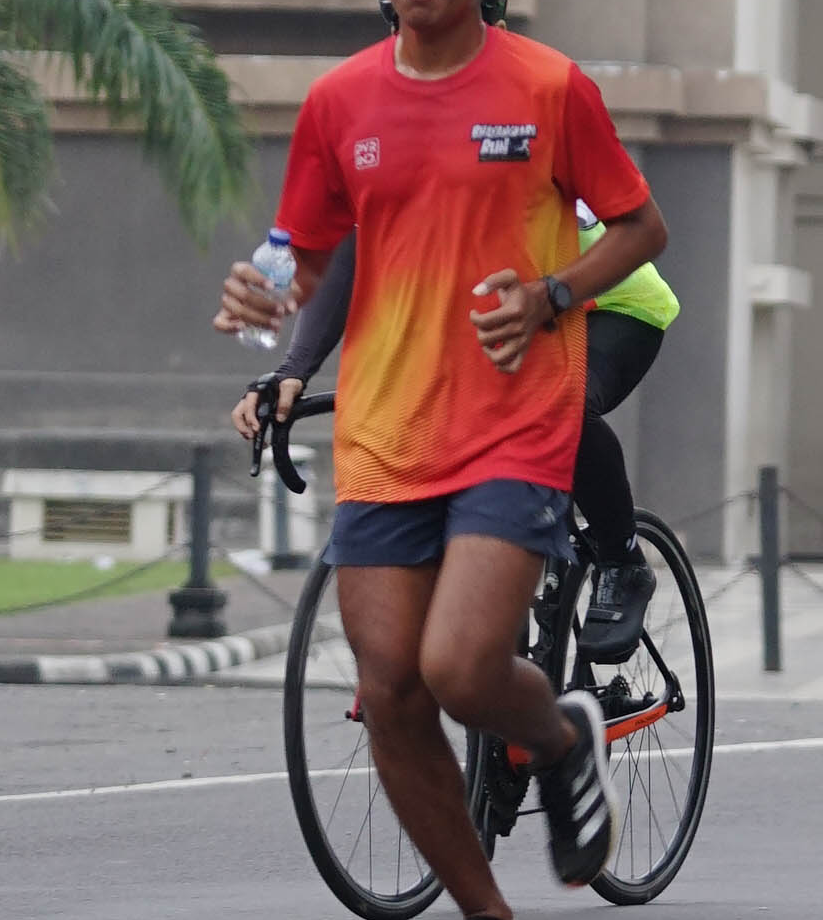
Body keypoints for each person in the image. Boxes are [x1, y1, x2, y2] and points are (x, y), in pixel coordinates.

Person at [213, 0, 671, 920]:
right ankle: (487, 919)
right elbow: (307, 252)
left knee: (463, 667)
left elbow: (639, 229)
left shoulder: (548, 89)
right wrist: (266, 315)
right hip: (384, 434)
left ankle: (556, 734)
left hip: (514, 420)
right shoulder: (338, 103)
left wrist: (554, 296)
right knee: (391, 693)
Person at [236, 188, 679, 662]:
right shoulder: (379, 175)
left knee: (558, 405)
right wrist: (294, 371)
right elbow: (346, 253)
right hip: (496, 314)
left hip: (607, 306)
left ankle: (621, 558)